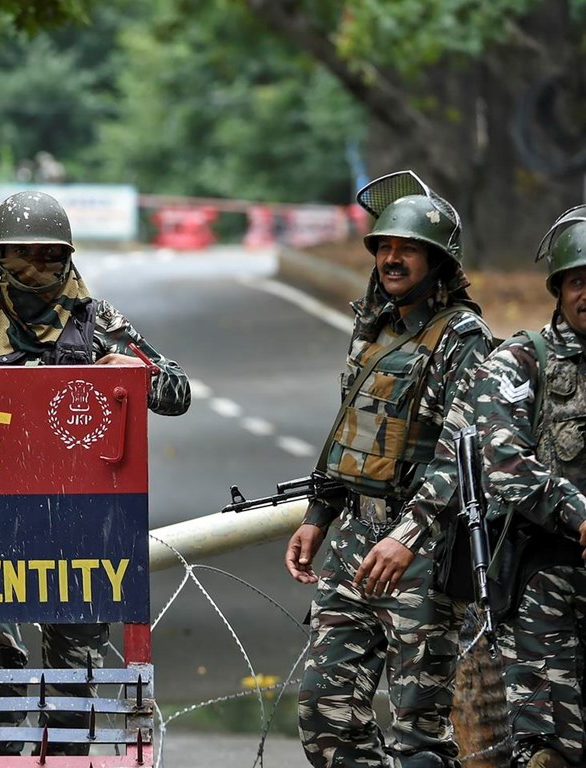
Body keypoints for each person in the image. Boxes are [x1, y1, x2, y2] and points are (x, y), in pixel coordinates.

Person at [0, 190, 190, 755]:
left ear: (67, 259)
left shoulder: (97, 320)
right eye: (17, 258)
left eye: (47, 258)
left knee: (72, 688)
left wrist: (137, 371)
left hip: (78, 521)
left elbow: (177, 391)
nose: (33, 271)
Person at [284, 171, 494, 768]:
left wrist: (408, 536)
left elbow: (468, 449)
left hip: (423, 551)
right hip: (355, 538)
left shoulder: (463, 337)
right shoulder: (374, 328)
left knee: (419, 736)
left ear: (439, 260)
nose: (391, 258)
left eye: (407, 248)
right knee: (327, 719)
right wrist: (318, 516)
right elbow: (349, 427)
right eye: (384, 246)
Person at [458, 205, 586, 768]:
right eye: (580, 281)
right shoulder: (520, 360)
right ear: (559, 289)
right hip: (544, 586)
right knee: (549, 752)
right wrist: (579, 513)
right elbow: (505, 465)